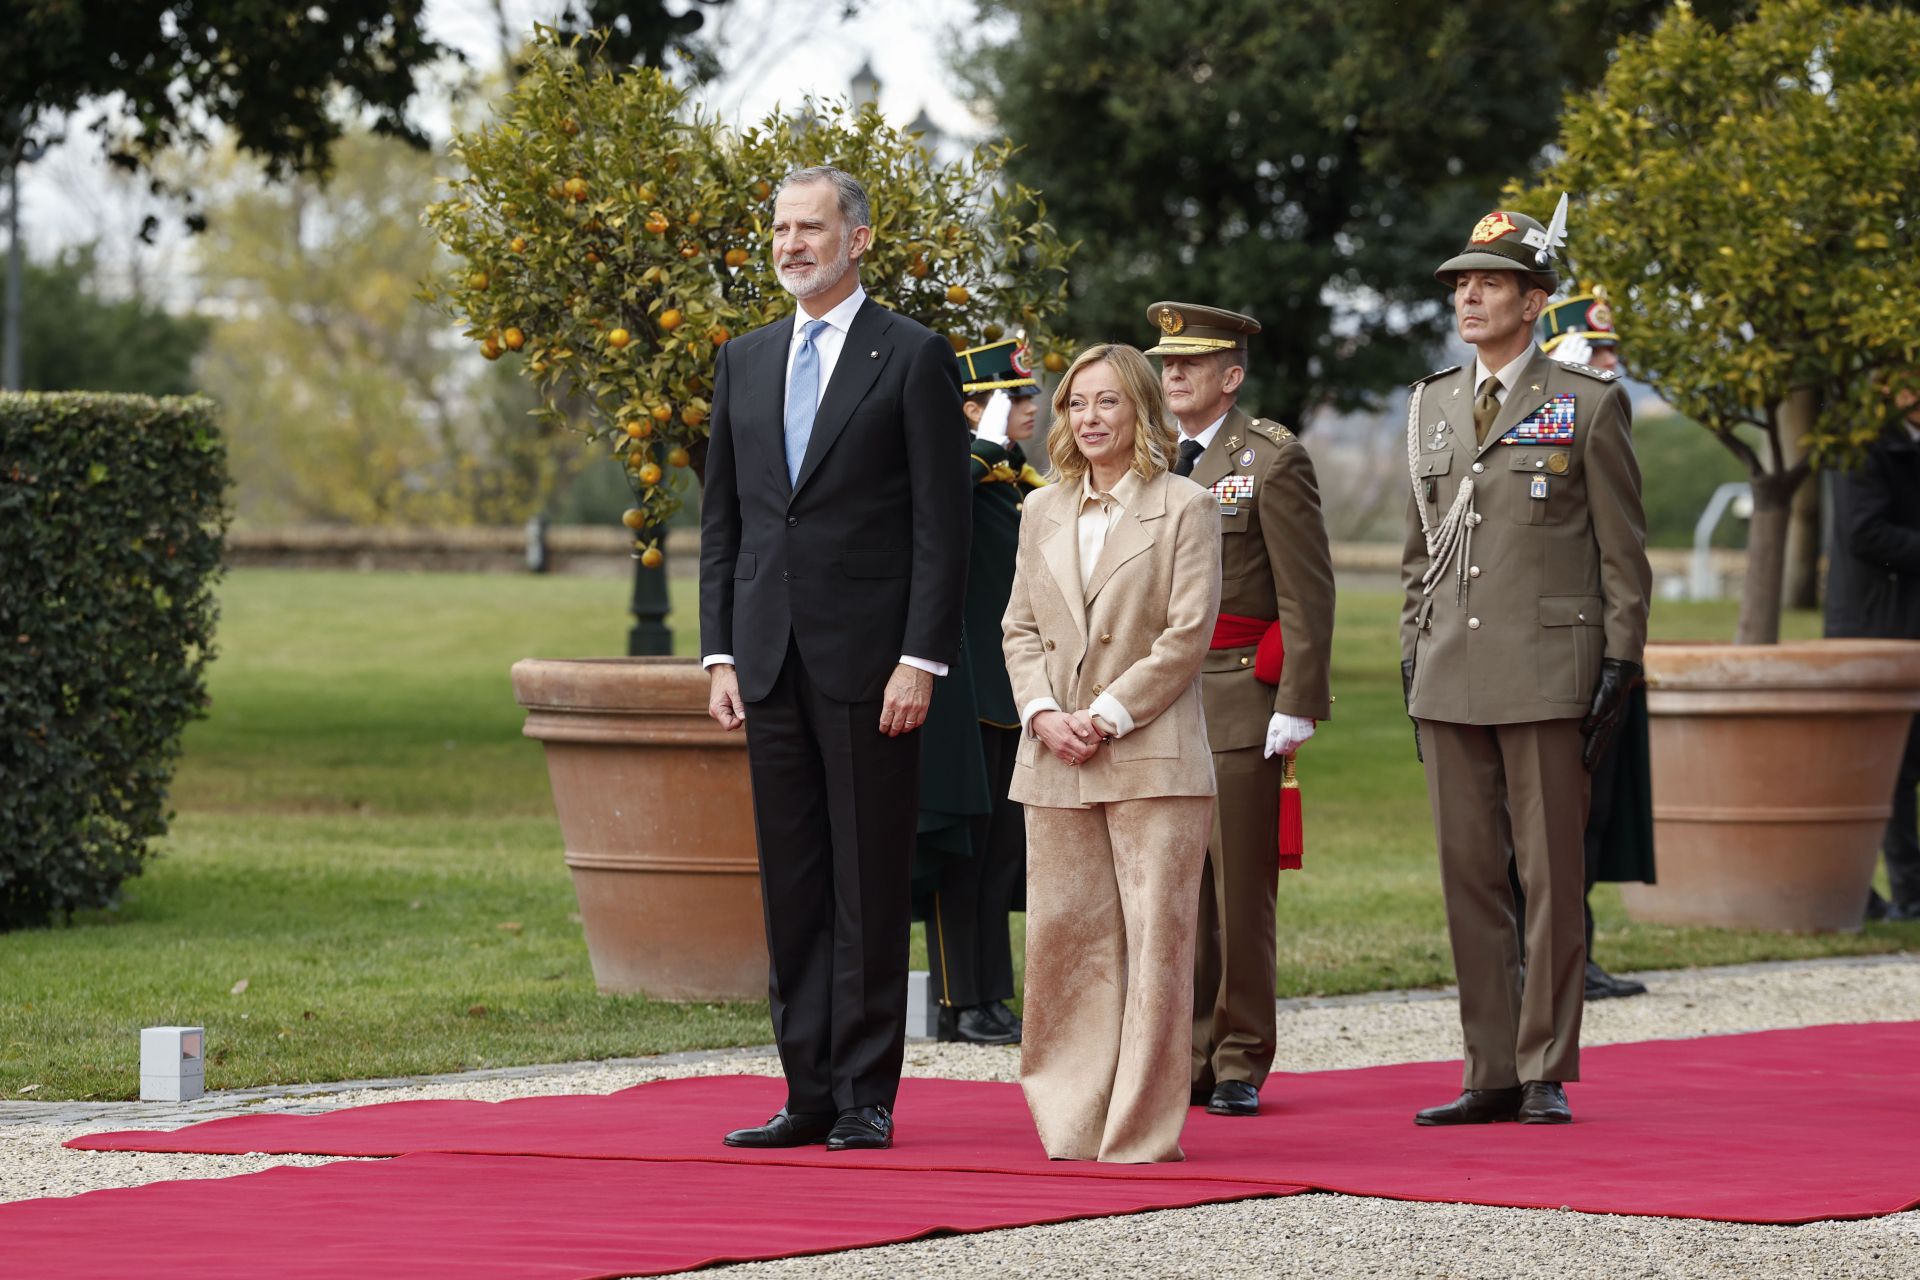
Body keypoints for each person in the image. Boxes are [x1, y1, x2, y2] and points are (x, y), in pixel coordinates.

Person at [699, 165, 971, 1152]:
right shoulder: (744, 358)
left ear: (858, 238)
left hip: (873, 668)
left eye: (810, 227)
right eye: (779, 228)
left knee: (866, 881)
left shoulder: (912, 356)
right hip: (765, 661)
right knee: (794, 883)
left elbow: (944, 529)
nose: (790, 243)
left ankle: (864, 1094)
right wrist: (720, 651)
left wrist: (921, 658)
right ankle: (805, 1088)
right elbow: (723, 522)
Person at [1399, 206, 1651, 1127]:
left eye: (1490, 281)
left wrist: (1622, 661)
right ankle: (1490, 1067)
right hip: (1449, 671)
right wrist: (1408, 647)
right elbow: (1418, 548)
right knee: (1469, 875)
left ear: (1534, 301)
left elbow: (1624, 551)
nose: (1467, 295)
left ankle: (1545, 1064)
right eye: (1460, 282)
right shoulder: (1428, 404)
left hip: (1550, 668)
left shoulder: (1587, 402)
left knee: (1547, 875)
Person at [1003, 342, 1220, 1162]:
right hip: (1053, 755)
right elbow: (1017, 627)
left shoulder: (1187, 506)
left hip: (1152, 757)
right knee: (1063, 943)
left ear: (1141, 411)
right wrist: (1043, 712)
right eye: (1075, 404)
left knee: (1156, 948)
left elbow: (1186, 634)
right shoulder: (1039, 511)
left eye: (1107, 403)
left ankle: (1137, 1132)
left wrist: (1106, 714)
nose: (1089, 419)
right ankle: (1071, 1120)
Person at [1142, 301, 1335, 1118]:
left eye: (1191, 362)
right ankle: (1182, 1052)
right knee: (1173, 886)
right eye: (1165, 362)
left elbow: (1308, 592)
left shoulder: (1269, 459)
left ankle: (1240, 1056)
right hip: (1158, 696)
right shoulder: (1149, 460)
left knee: (1237, 888)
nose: (1173, 374)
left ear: (1232, 374)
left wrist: (1294, 702)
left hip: (1234, 693)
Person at [1510, 288, 1656, 1001]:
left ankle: (1572, 954)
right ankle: (1530, 957)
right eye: (1596, 349)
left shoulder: (1599, 414)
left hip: (1592, 643)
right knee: (1536, 819)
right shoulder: (1545, 418)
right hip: (1536, 651)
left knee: (1588, 815)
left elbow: (1623, 544)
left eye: (1612, 351)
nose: (1609, 361)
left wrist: (1623, 654)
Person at [913, 337, 1047, 1045]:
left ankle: (992, 995)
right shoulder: (956, 468)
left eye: (1027, 396)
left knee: (1001, 851)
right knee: (959, 849)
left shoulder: (1019, 478)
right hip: (963, 687)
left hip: (1013, 689)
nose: (1029, 407)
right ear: (971, 407)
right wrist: (978, 450)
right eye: (1012, 397)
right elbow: (931, 521)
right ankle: (959, 1000)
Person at [1824, 375, 1920, 920]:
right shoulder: (1862, 445)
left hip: (1907, 619)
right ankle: (1903, 893)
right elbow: (1865, 533)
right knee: (1890, 769)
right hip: (1876, 624)